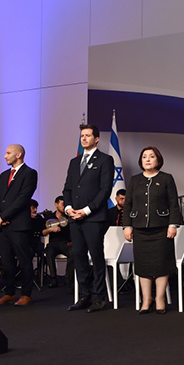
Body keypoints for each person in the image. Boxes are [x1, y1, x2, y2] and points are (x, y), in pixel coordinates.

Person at [63, 124, 114, 313]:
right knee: (78, 256)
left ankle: (99, 297)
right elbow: (67, 188)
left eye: (88, 135)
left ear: (96, 139)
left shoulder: (105, 160)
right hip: (74, 218)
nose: (84, 138)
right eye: (82, 135)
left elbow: (105, 190)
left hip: (93, 218)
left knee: (96, 256)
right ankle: (85, 296)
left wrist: (86, 210)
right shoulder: (74, 162)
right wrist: (68, 208)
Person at [124, 147, 181, 315]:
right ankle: (146, 299)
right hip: (140, 229)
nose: (147, 159)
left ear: (158, 159)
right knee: (143, 265)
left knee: (162, 264)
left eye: (151, 156)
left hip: (162, 229)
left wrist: (173, 224)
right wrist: (127, 226)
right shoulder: (134, 180)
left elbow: (173, 204)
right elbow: (127, 205)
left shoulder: (166, 178)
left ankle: (160, 298)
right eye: (144, 157)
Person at [0, 144, 38, 306]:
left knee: (24, 261)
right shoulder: (4, 175)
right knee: (6, 262)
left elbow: (23, 198)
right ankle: (9, 293)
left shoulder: (30, 173)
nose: (5, 156)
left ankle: (26, 294)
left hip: (18, 225)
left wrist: (4, 216)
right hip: (2, 225)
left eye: (8, 153)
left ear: (18, 155)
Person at [41, 196, 74, 288]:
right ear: (56, 205)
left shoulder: (69, 217)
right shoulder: (49, 217)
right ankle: (53, 278)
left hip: (65, 243)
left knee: (74, 252)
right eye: (62, 204)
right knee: (49, 251)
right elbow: (42, 232)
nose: (64, 207)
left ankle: (68, 279)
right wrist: (51, 230)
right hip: (53, 244)